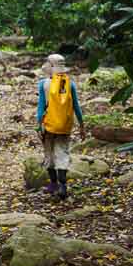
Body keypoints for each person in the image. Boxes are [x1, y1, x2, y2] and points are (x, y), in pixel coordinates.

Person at [36, 54, 85, 200]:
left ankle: (53, 185)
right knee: (62, 152)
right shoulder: (70, 83)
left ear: (51, 66)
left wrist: (39, 126)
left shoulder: (43, 84)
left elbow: (40, 109)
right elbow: (76, 106)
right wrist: (82, 125)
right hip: (65, 125)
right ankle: (63, 186)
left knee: (49, 153)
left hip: (49, 125)